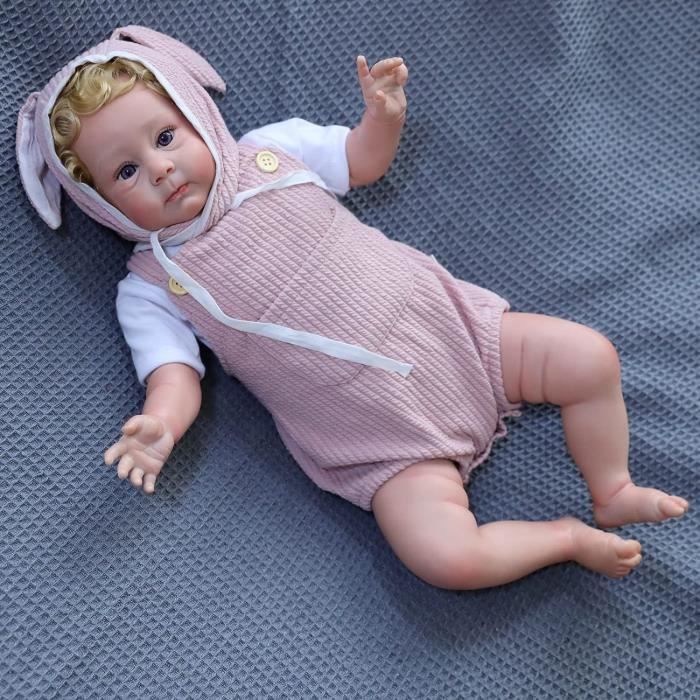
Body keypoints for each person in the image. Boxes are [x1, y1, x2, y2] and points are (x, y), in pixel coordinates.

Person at [17, 26, 688, 590]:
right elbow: (174, 376)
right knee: (445, 559)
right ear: (99, 206)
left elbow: (361, 163)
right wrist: (161, 425)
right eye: (125, 172)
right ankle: (565, 539)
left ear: (196, 114)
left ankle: (612, 488)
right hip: (377, 437)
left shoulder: (270, 153)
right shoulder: (151, 285)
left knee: (589, 358)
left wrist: (381, 119)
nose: (160, 168)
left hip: (455, 336)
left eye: (166, 137)